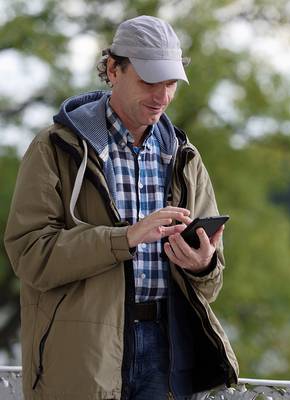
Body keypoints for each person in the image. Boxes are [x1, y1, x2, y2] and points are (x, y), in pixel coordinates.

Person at [4, 15, 238, 399]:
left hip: (167, 354)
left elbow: (211, 283)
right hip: (82, 356)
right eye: (149, 81)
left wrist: (203, 264)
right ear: (113, 69)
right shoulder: (53, 148)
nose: (162, 96)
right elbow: (30, 256)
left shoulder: (184, 156)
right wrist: (125, 238)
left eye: (170, 84)